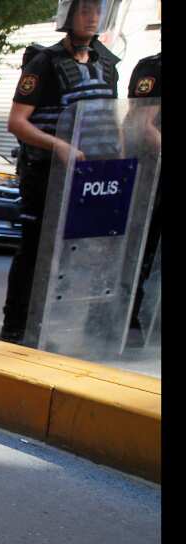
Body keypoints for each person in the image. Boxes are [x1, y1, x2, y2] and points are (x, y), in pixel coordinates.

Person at [0, 0, 120, 344]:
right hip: (46, 173)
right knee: (36, 251)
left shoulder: (108, 64)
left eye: (97, 11)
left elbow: (110, 119)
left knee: (78, 253)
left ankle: (54, 322)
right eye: (84, 11)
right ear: (68, 16)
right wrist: (60, 146)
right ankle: (17, 325)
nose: (92, 17)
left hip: (92, 177)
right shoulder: (44, 62)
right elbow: (17, 123)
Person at [126, 50, 161, 338]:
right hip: (150, 172)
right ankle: (126, 314)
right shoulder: (153, 67)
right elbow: (142, 123)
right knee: (140, 246)